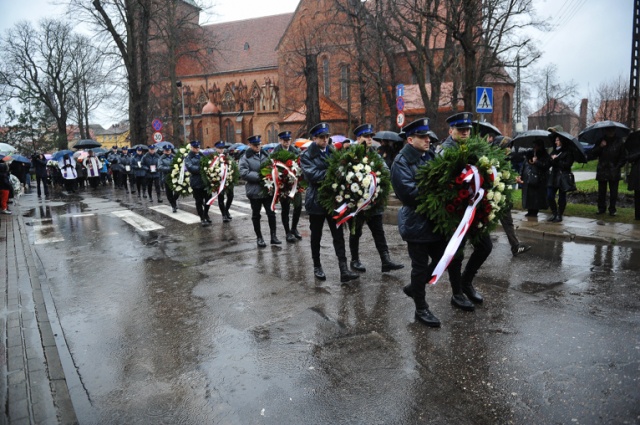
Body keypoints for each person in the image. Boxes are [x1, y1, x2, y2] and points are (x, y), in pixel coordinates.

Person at [390, 118, 443, 327]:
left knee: (442, 260)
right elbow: (409, 194)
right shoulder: (401, 162)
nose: (427, 140)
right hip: (416, 222)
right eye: (422, 136)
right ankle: (421, 308)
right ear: (410, 139)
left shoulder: (428, 155)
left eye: (428, 136)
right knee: (420, 266)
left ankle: (415, 287)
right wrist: (437, 189)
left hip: (433, 219)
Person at [438, 112, 491, 312]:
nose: (465, 133)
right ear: (450, 130)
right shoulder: (444, 152)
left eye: (468, 129)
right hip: (456, 211)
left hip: (475, 209)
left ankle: (466, 282)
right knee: (457, 253)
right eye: (461, 130)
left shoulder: (474, 148)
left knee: (485, 246)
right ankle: (457, 293)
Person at [300, 122, 359, 283]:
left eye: (326, 137)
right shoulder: (306, 155)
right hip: (317, 201)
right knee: (316, 236)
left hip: (333, 201)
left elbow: (341, 169)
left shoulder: (333, 152)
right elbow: (313, 176)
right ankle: (317, 266)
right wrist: (333, 172)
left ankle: (344, 269)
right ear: (314, 138)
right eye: (321, 137)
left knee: (338, 235)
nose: (325, 140)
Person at [348, 123, 403, 273]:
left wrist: (378, 178)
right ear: (358, 138)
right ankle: (354, 260)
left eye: (371, 136)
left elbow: (385, 170)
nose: (370, 139)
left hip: (373, 201)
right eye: (366, 136)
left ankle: (385, 260)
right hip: (357, 202)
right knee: (356, 231)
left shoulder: (374, 153)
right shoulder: (350, 154)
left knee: (379, 231)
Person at [479, 122, 531, 257]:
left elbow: (505, 175)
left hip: (501, 198)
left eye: (510, 147)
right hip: (492, 198)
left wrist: (514, 178)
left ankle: (515, 246)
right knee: (483, 222)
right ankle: (473, 242)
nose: (509, 149)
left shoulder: (504, 159)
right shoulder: (493, 160)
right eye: (508, 147)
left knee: (507, 222)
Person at [240, 135, 281, 247]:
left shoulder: (266, 155)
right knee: (256, 215)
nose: (258, 147)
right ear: (250, 145)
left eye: (259, 144)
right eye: (255, 145)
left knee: (271, 214)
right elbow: (243, 172)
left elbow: (273, 167)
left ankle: (273, 236)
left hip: (267, 190)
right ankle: (259, 238)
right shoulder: (245, 157)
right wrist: (261, 176)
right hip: (254, 191)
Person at [272, 130, 303, 242]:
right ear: (280, 140)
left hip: (295, 184)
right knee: (285, 209)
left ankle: (294, 228)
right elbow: (272, 166)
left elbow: (300, 164)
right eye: (285, 140)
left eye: (289, 140)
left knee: (298, 206)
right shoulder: (275, 152)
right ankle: (287, 232)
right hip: (283, 185)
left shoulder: (295, 151)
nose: (287, 142)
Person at [589, 127, 626, 216]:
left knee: (613, 192)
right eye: (608, 130)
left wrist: (617, 166)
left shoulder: (619, 142)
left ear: (614, 131)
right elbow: (593, 153)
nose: (610, 132)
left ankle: (612, 209)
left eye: (611, 130)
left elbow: (623, 157)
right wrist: (600, 147)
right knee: (602, 191)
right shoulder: (601, 140)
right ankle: (601, 208)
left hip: (614, 170)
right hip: (603, 169)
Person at [518, 139, 551, 218]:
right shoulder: (530, 154)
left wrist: (537, 162)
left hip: (539, 179)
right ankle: (529, 210)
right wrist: (520, 175)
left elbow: (546, 166)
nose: (534, 147)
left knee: (536, 196)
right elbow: (524, 164)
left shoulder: (544, 155)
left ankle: (534, 211)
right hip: (528, 177)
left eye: (536, 146)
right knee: (528, 195)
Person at [547, 132, 575, 223]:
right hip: (554, 176)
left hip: (563, 177)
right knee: (549, 195)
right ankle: (554, 213)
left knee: (562, 197)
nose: (556, 142)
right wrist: (551, 159)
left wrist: (557, 159)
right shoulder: (554, 151)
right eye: (555, 140)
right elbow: (550, 162)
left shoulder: (568, 152)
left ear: (562, 141)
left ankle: (559, 215)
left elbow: (567, 165)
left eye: (557, 140)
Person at [184, 141, 212, 227]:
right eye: (195, 148)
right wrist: (202, 168)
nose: (197, 149)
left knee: (208, 199)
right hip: (196, 182)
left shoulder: (202, 155)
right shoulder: (188, 157)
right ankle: (202, 218)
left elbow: (208, 163)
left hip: (205, 182)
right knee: (199, 201)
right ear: (192, 148)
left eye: (198, 148)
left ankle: (206, 213)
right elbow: (190, 167)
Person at [214, 141, 234, 222]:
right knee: (221, 198)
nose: (221, 150)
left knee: (231, 196)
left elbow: (232, 165)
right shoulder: (213, 157)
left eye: (222, 148)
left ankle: (226, 210)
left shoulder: (227, 155)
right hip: (219, 181)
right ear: (216, 148)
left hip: (228, 180)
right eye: (220, 148)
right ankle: (224, 214)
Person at [623, 133, 640, 220]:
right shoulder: (635, 141)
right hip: (637, 173)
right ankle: (638, 215)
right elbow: (629, 158)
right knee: (637, 194)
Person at [159, 145, 178, 212]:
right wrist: (169, 169)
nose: (167, 151)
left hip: (175, 177)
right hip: (167, 177)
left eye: (169, 150)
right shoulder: (161, 158)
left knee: (177, 191)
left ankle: (174, 201)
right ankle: (173, 205)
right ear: (164, 151)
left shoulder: (174, 156)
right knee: (169, 193)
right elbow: (160, 167)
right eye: (166, 150)